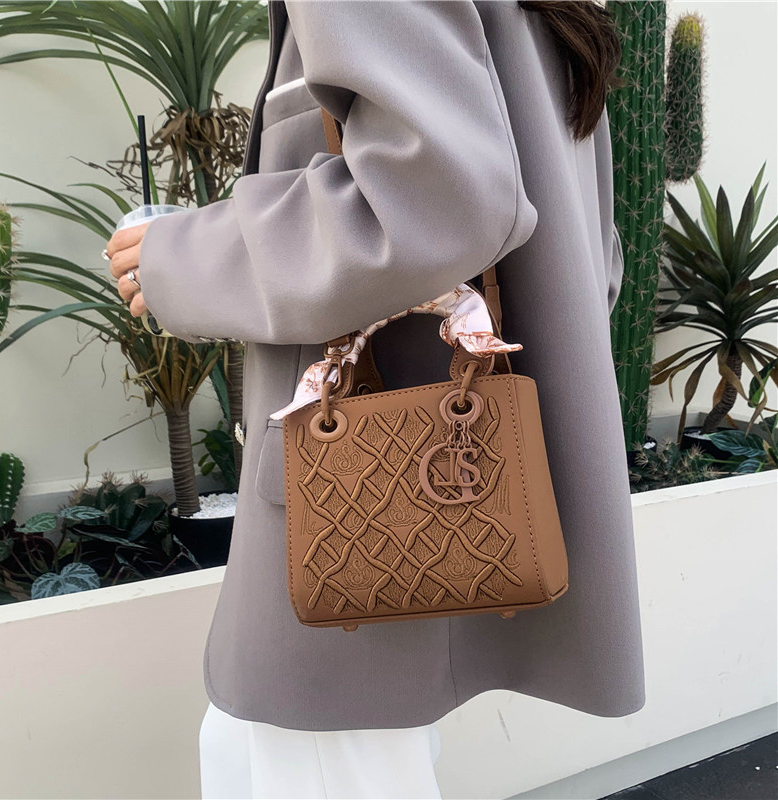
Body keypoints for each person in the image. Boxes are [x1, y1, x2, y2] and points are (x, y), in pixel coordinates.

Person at [105, 1, 645, 797]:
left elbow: (437, 200)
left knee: (309, 742)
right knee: (267, 747)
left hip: (360, 489)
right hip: (442, 464)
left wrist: (185, 256)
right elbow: (592, 256)